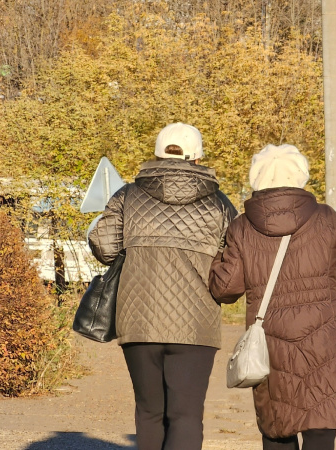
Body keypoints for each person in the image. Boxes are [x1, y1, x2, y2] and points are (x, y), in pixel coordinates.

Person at [209, 144, 336, 450]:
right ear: (300, 176)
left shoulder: (242, 227)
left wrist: (220, 252)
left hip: (271, 344)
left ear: (256, 178)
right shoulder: (325, 219)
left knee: (277, 428)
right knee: (321, 423)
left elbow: (225, 288)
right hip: (324, 342)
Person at [87, 122, 237, 450]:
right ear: (198, 159)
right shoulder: (220, 204)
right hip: (196, 325)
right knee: (186, 415)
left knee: (149, 412)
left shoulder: (128, 195)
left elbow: (104, 247)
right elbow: (236, 265)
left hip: (138, 318)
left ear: (156, 155)